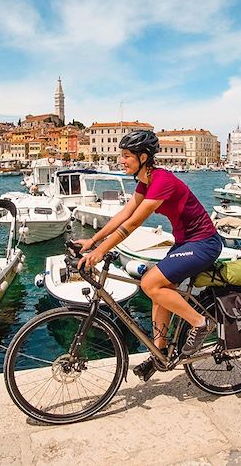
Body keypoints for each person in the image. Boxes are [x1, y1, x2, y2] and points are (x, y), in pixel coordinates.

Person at [75, 130, 223, 379]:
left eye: (126, 156)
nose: (121, 161)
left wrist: (100, 252)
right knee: (159, 293)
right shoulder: (145, 182)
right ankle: (160, 353)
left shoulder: (162, 181)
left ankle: (201, 323)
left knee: (149, 283)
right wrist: (93, 240)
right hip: (186, 242)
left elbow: (132, 225)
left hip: (204, 242)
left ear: (143, 157)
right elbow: (124, 215)